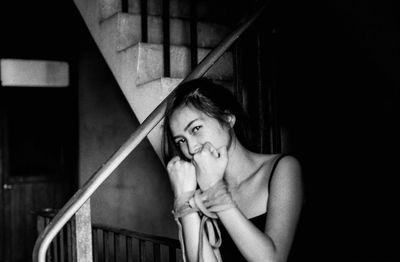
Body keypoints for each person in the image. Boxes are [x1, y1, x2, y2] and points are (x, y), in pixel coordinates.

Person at [163, 78, 303, 262]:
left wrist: (215, 190)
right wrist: (184, 200)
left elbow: (271, 260)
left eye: (196, 128)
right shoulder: (201, 190)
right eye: (181, 140)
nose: (190, 148)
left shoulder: (283, 168)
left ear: (228, 119)